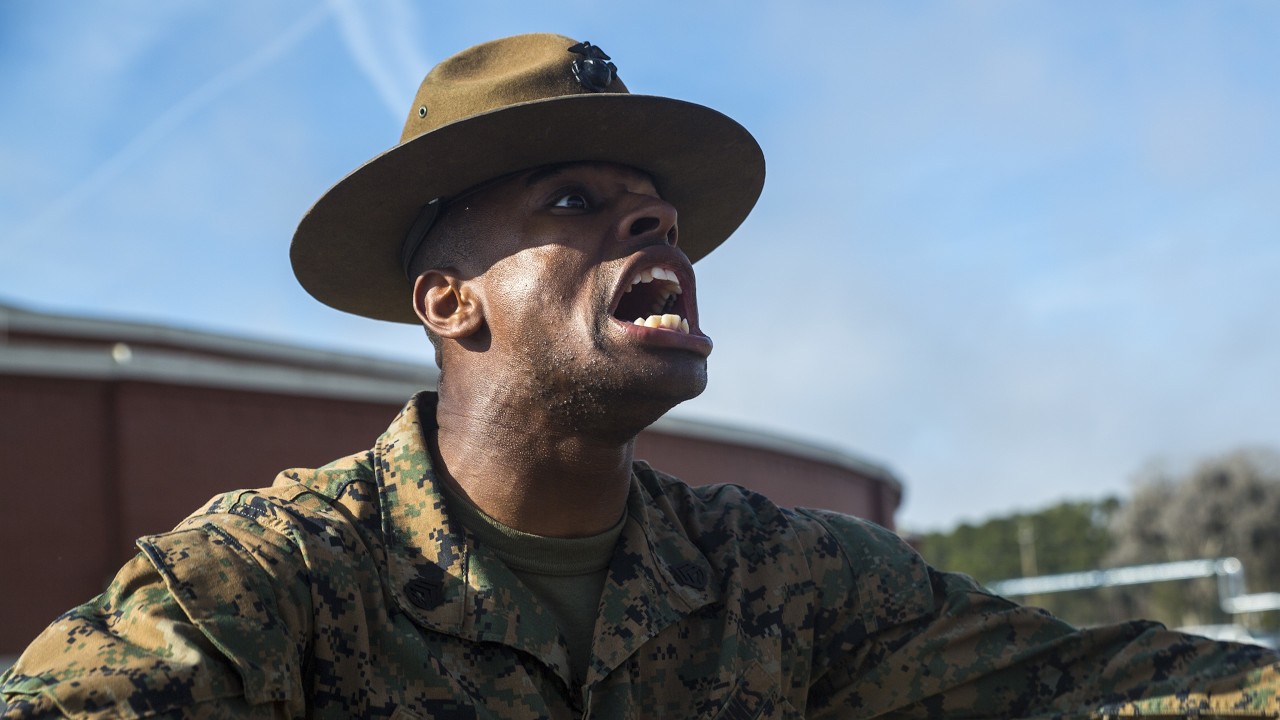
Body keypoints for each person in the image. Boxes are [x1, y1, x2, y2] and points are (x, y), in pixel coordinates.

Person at [2, 32, 1277, 720]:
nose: (652, 229)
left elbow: (1124, 685)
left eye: (659, 216)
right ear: (448, 303)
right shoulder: (263, 582)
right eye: (576, 200)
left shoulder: (786, 579)